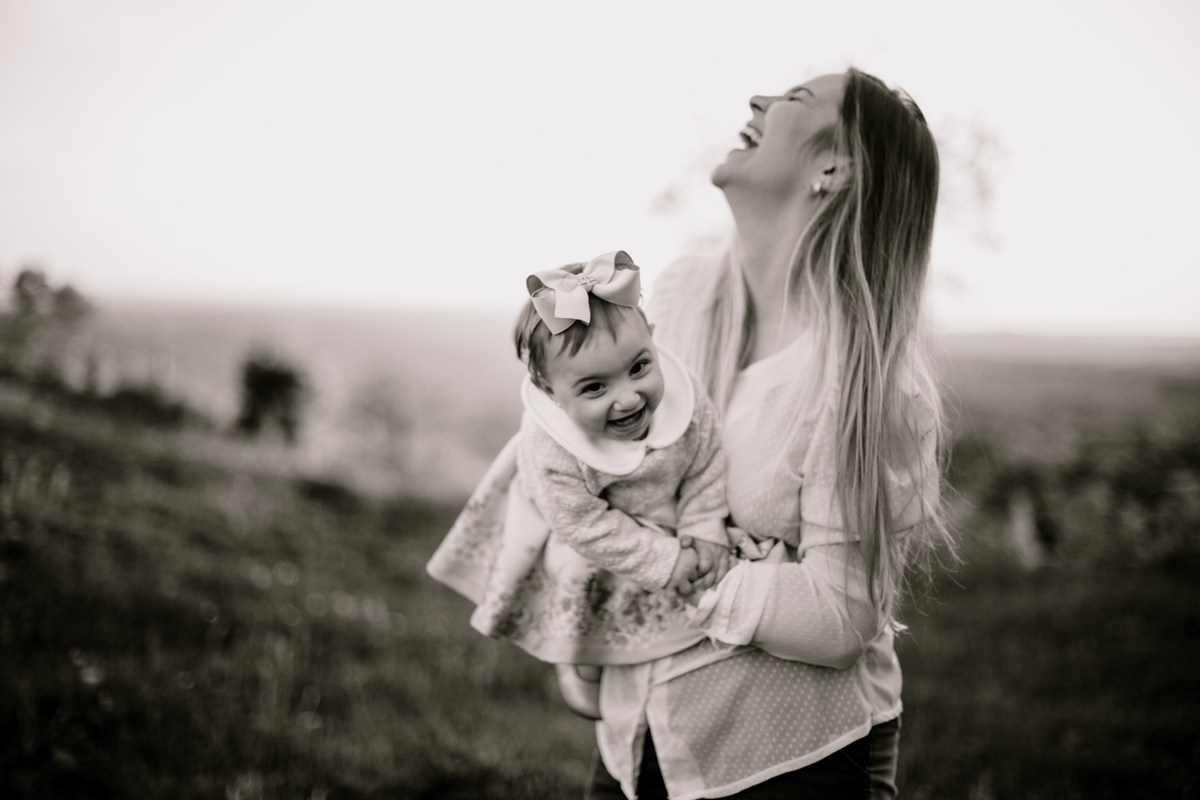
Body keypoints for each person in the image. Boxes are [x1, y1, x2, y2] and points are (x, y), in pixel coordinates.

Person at [585, 69, 951, 799]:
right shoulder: (682, 297)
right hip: (638, 738)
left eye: (795, 99)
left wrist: (669, 567)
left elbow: (839, 616)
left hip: (791, 762)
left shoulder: (864, 383)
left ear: (833, 168)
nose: (758, 101)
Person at [426, 249, 735, 719]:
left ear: (653, 340)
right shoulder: (551, 447)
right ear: (549, 390)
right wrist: (665, 559)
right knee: (578, 575)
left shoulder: (682, 395)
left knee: (700, 582)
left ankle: (669, 659)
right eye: (594, 387)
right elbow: (584, 525)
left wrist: (703, 527)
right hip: (572, 520)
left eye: (639, 368)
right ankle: (582, 664)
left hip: (652, 498)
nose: (628, 398)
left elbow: (705, 459)